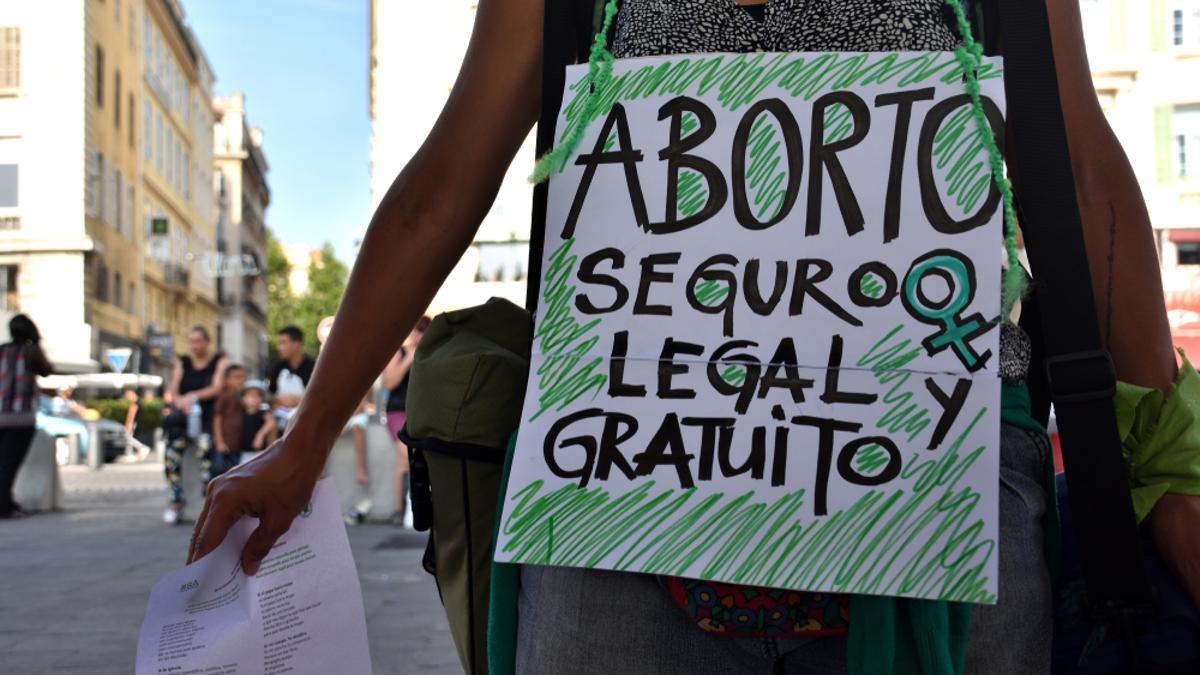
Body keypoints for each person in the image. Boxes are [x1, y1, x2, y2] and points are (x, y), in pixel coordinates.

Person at [189, 1, 1200, 673]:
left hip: (941, 510)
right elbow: (444, 181)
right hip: (624, 520)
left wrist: (1168, 461)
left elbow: (1079, 176)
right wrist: (304, 438)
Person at [164, 326, 228, 525]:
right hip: (183, 417)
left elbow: (217, 387)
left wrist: (192, 397)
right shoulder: (183, 362)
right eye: (191, 341)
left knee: (206, 451)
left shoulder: (219, 361)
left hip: (207, 417)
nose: (194, 346)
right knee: (171, 454)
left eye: (198, 341)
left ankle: (206, 500)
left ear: (207, 342)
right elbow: (172, 390)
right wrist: (180, 401)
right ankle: (176, 499)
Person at [0, 315, 53, 519]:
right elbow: (47, 370)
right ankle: (5, 506)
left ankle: (7, 502)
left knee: (2, 463)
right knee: (9, 464)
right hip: (20, 418)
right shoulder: (31, 351)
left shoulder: (2, 349)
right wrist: (37, 343)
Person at [381, 316, 431, 526]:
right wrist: (409, 357)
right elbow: (388, 383)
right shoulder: (399, 352)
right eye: (413, 331)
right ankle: (401, 510)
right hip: (398, 411)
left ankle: (413, 510)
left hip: (422, 411)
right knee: (405, 456)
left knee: (413, 460)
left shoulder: (430, 354)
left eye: (420, 332)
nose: (415, 336)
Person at [267, 325, 316, 430]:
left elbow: (320, 396)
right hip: (280, 421)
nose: (279, 348)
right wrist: (279, 400)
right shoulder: (277, 367)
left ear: (297, 344)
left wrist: (299, 401)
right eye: (279, 343)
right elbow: (270, 394)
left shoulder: (314, 367)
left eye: (283, 343)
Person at [212, 364, 248, 480]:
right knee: (222, 475)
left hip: (238, 445)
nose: (240, 381)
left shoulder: (243, 398)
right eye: (236, 377)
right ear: (227, 380)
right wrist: (219, 442)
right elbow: (217, 419)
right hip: (225, 445)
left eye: (242, 377)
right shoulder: (223, 397)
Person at [238, 380, 276, 465]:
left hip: (259, 452)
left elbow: (271, 423)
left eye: (257, 396)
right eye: (251, 395)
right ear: (243, 398)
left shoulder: (262, 413)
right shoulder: (241, 414)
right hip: (245, 452)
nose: (254, 398)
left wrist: (259, 436)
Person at [121, 388, 151, 462]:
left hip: (133, 423)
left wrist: (128, 424)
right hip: (136, 423)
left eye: (127, 395)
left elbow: (131, 415)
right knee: (129, 438)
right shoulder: (139, 402)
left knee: (128, 437)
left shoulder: (134, 404)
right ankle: (129, 454)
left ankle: (141, 447)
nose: (127, 397)